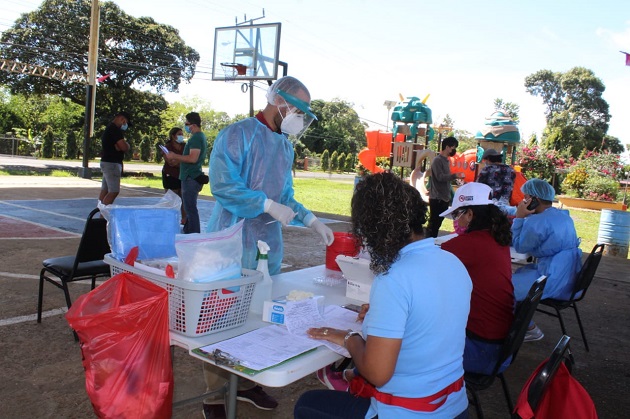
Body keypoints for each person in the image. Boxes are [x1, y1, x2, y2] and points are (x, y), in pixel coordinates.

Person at [201, 76, 334, 418]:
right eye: (297, 109)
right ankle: (216, 395)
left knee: (258, 311)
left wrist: (312, 221)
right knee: (223, 315)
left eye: (305, 112)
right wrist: (264, 204)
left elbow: (285, 196)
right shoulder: (238, 134)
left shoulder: (285, 146)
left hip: (266, 243)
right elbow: (223, 185)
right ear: (277, 100)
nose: (299, 117)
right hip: (232, 237)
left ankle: (245, 381)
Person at [294, 172, 472, 419]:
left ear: (375, 230)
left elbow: (377, 373)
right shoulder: (453, 262)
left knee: (306, 405)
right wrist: (386, 314)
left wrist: (350, 338)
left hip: (409, 412)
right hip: (453, 406)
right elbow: (430, 320)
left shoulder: (394, 278)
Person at [440, 182, 515, 375]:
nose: (456, 221)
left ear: (470, 214)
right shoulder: (497, 238)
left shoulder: (470, 244)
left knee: (408, 345)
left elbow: (427, 259)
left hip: (481, 351)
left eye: (457, 215)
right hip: (498, 346)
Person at [511, 178, 582, 341]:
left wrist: (519, 217)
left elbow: (520, 246)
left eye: (526, 198)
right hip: (568, 276)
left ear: (534, 199)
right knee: (518, 275)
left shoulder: (537, 221)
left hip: (552, 278)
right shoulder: (563, 216)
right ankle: (522, 322)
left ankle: (530, 329)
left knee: (504, 288)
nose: (523, 201)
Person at [163, 112, 206, 234]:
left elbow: (193, 158)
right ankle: (189, 231)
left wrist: (174, 156)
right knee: (188, 207)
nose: (186, 127)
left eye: (186, 124)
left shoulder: (196, 138)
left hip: (190, 177)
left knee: (190, 209)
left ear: (192, 124)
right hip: (190, 177)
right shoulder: (198, 137)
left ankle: (193, 234)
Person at [426, 136, 465, 238]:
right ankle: (428, 242)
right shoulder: (437, 160)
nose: (454, 150)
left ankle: (431, 241)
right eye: (453, 147)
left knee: (438, 222)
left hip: (444, 197)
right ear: (447, 147)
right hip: (437, 197)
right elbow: (440, 177)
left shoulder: (446, 160)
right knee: (434, 223)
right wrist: (454, 175)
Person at [98, 111, 131, 205]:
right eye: (126, 123)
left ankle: (99, 211)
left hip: (107, 162)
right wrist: (127, 145)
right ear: (122, 120)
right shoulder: (115, 130)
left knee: (105, 190)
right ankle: (103, 215)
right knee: (114, 191)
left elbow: (119, 146)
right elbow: (123, 147)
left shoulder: (109, 129)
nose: (125, 126)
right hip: (112, 163)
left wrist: (121, 146)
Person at [161, 126, 186, 225]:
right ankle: (169, 221)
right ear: (173, 136)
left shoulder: (185, 146)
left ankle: (184, 219)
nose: (181, 136)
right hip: (170, 174)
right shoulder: (167, 147)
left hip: (182, 175)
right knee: (171, 198)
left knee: (184, 198)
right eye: (179, 134)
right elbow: (171, 162)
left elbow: (189, 159)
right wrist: (183, 162)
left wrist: (180, 161)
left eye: (182, 134)